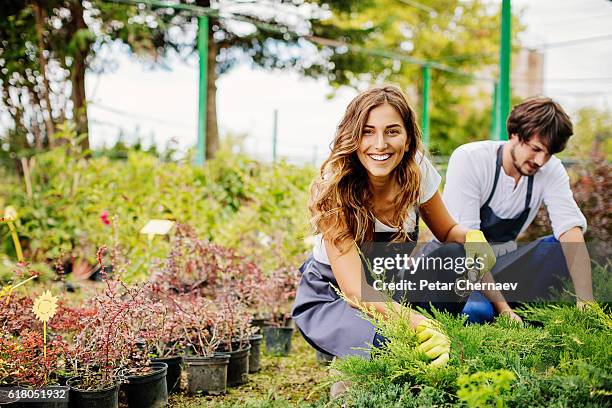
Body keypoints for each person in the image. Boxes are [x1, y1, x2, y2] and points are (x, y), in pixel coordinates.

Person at [291, 85, 496, 373]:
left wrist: (472, 237)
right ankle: (349, 362)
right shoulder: (336, 186)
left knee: (453, 255)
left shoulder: (416, 171)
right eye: (367, 131)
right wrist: (418, 323)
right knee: (391, 342)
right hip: (335, 296)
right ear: (353, 136)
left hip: (388, 290)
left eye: (392, 131)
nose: (379, 144)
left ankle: (429, 339)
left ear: (408, 138)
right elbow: (355, 292)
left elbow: (448, 231)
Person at [442, 96, 594, 324]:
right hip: (461, 267)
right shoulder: (470, 159)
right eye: (535, 149)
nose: (541, 161)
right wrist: (505, 311)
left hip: (504, 265)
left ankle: (528, 309)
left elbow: (569, 229)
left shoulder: (550, 170)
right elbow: (469, 250)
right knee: (476, 313)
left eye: (549, 154)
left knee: (559, 247)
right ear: (514, 134)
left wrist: (586, 301)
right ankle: (501, 309)